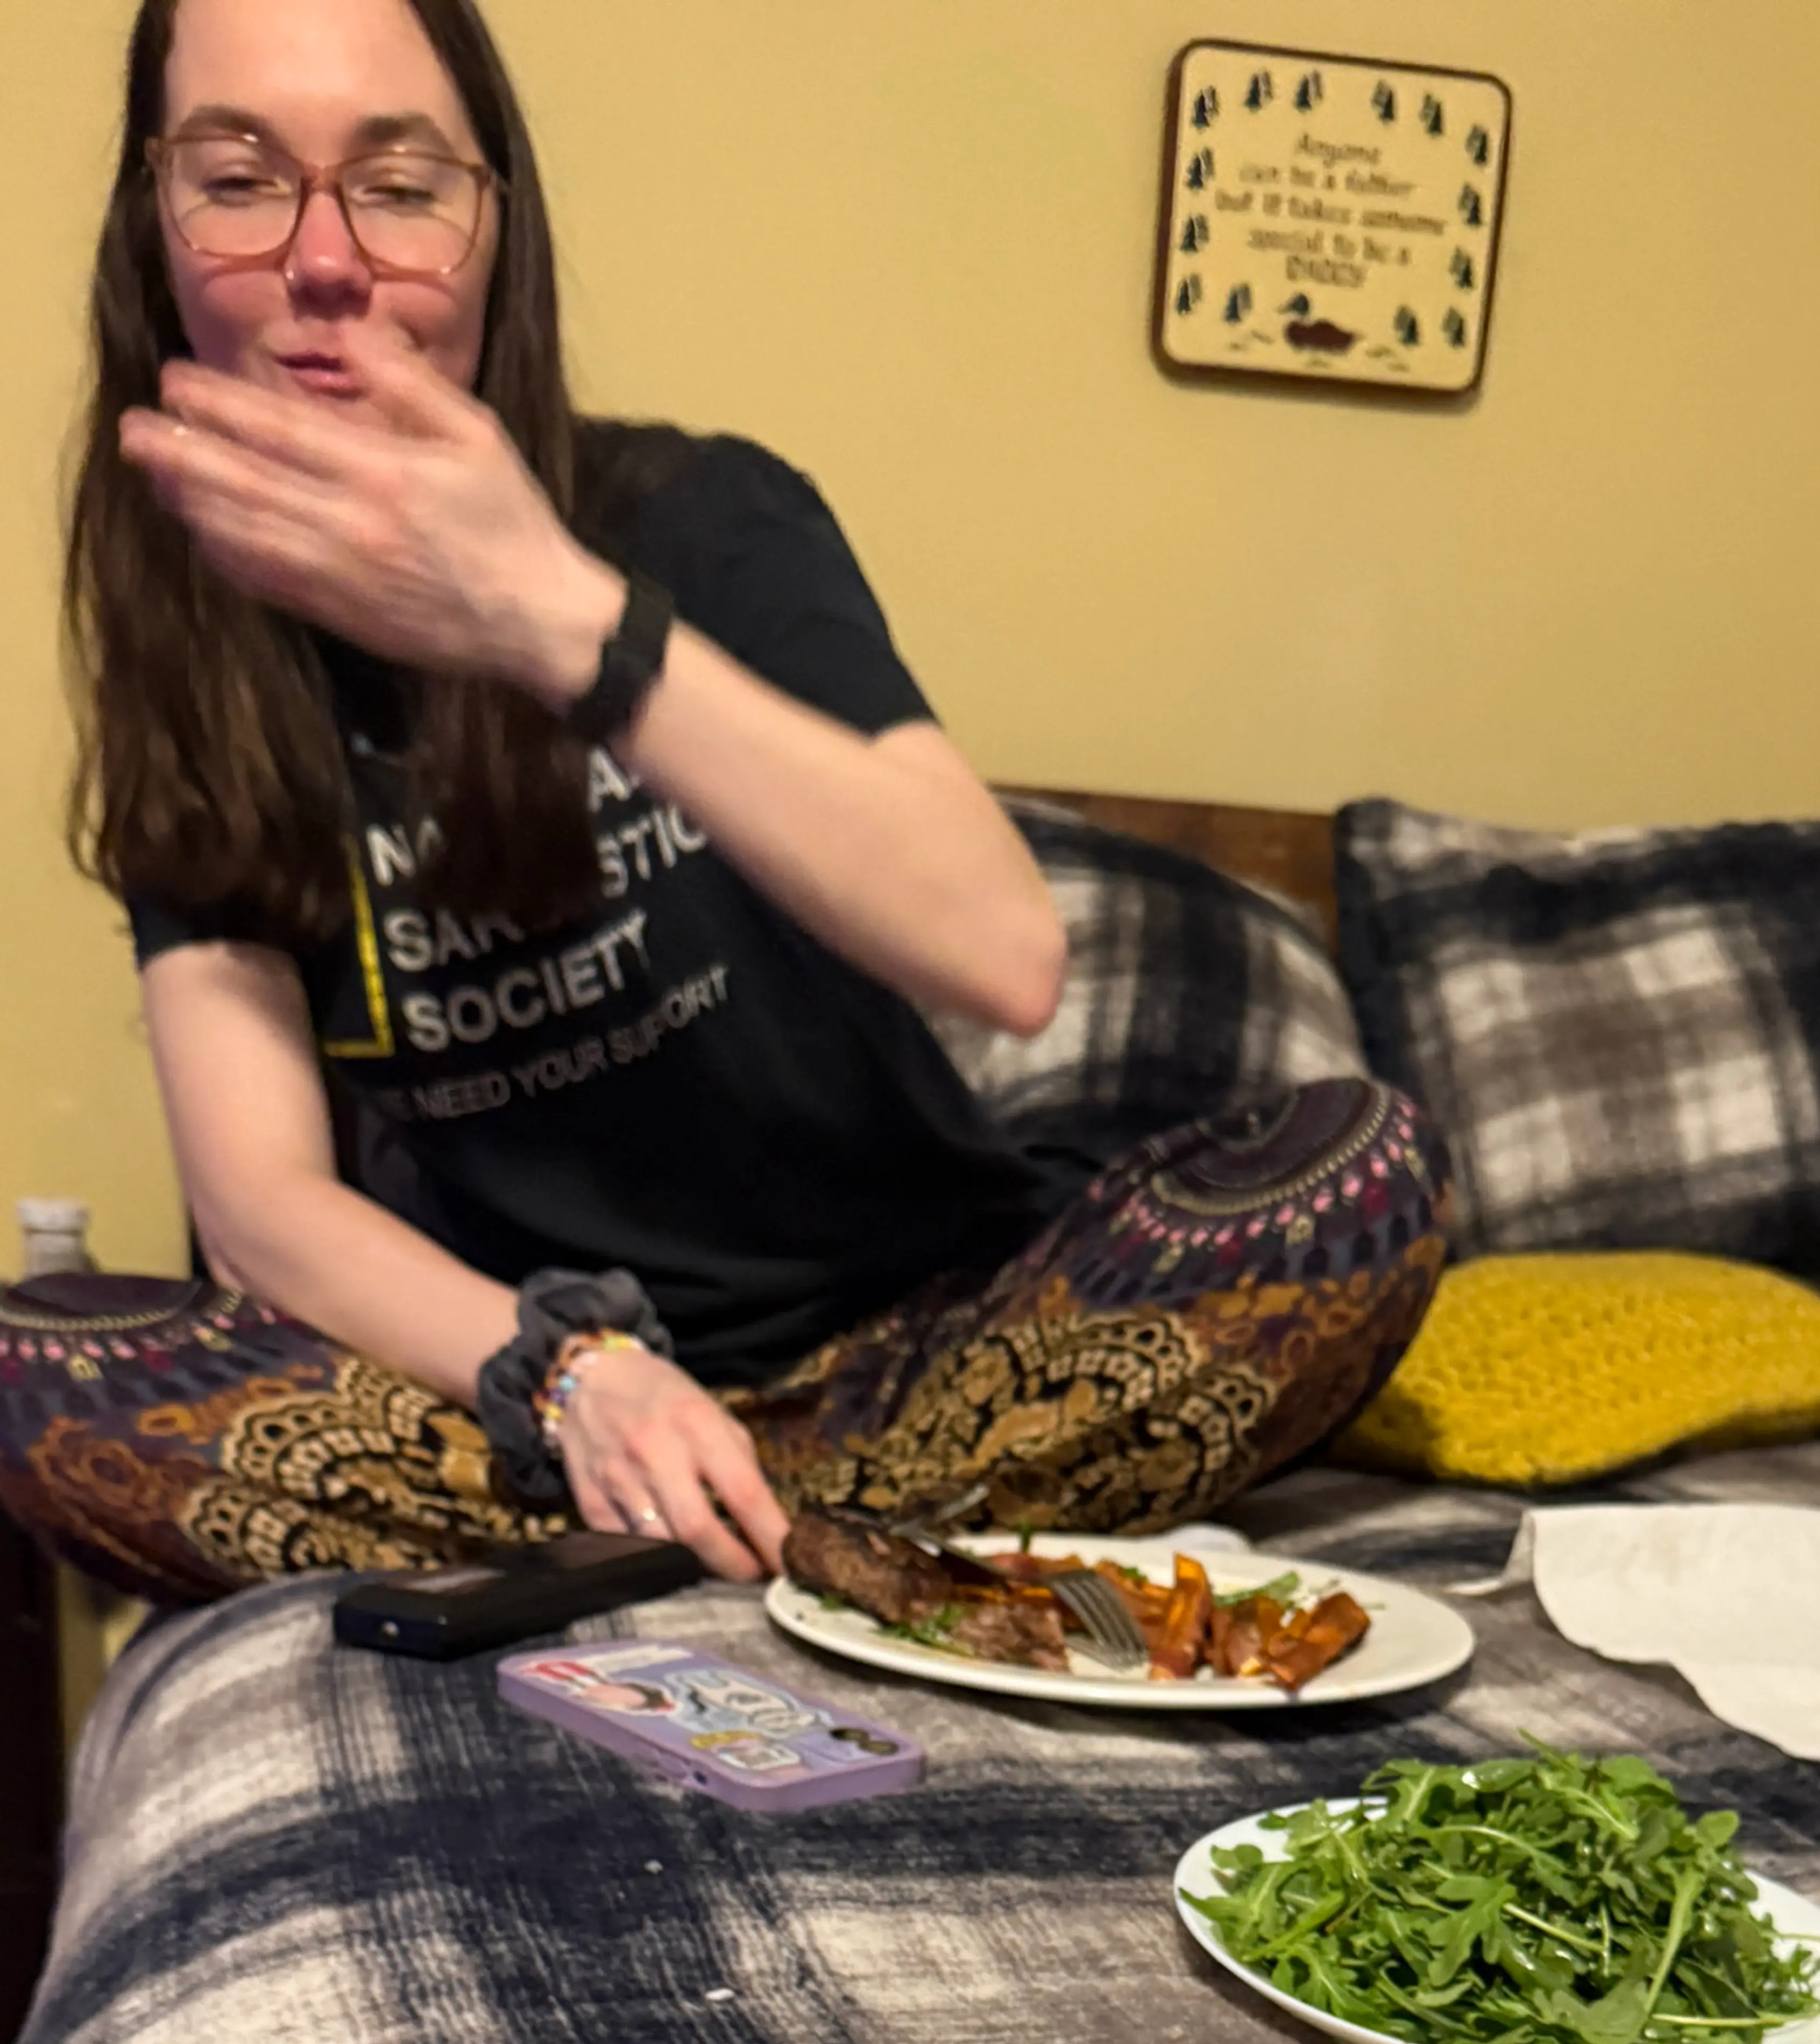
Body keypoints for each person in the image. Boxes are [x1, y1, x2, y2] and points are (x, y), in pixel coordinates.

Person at [1, 0, 1448, 1607]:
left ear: (495, 230)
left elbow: (1003, 954)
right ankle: (809, 1544)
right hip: (533, 1410)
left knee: (1359, 1175)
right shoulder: (189, 658)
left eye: (401, 187)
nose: (328, 259)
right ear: (157, 226)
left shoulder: (705, 518)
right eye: (241, 177)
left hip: (929, 1358)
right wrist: (570, 1376)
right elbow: (261, 1200)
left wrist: (556, 617)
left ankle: (739, 1532)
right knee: (36, 1372)